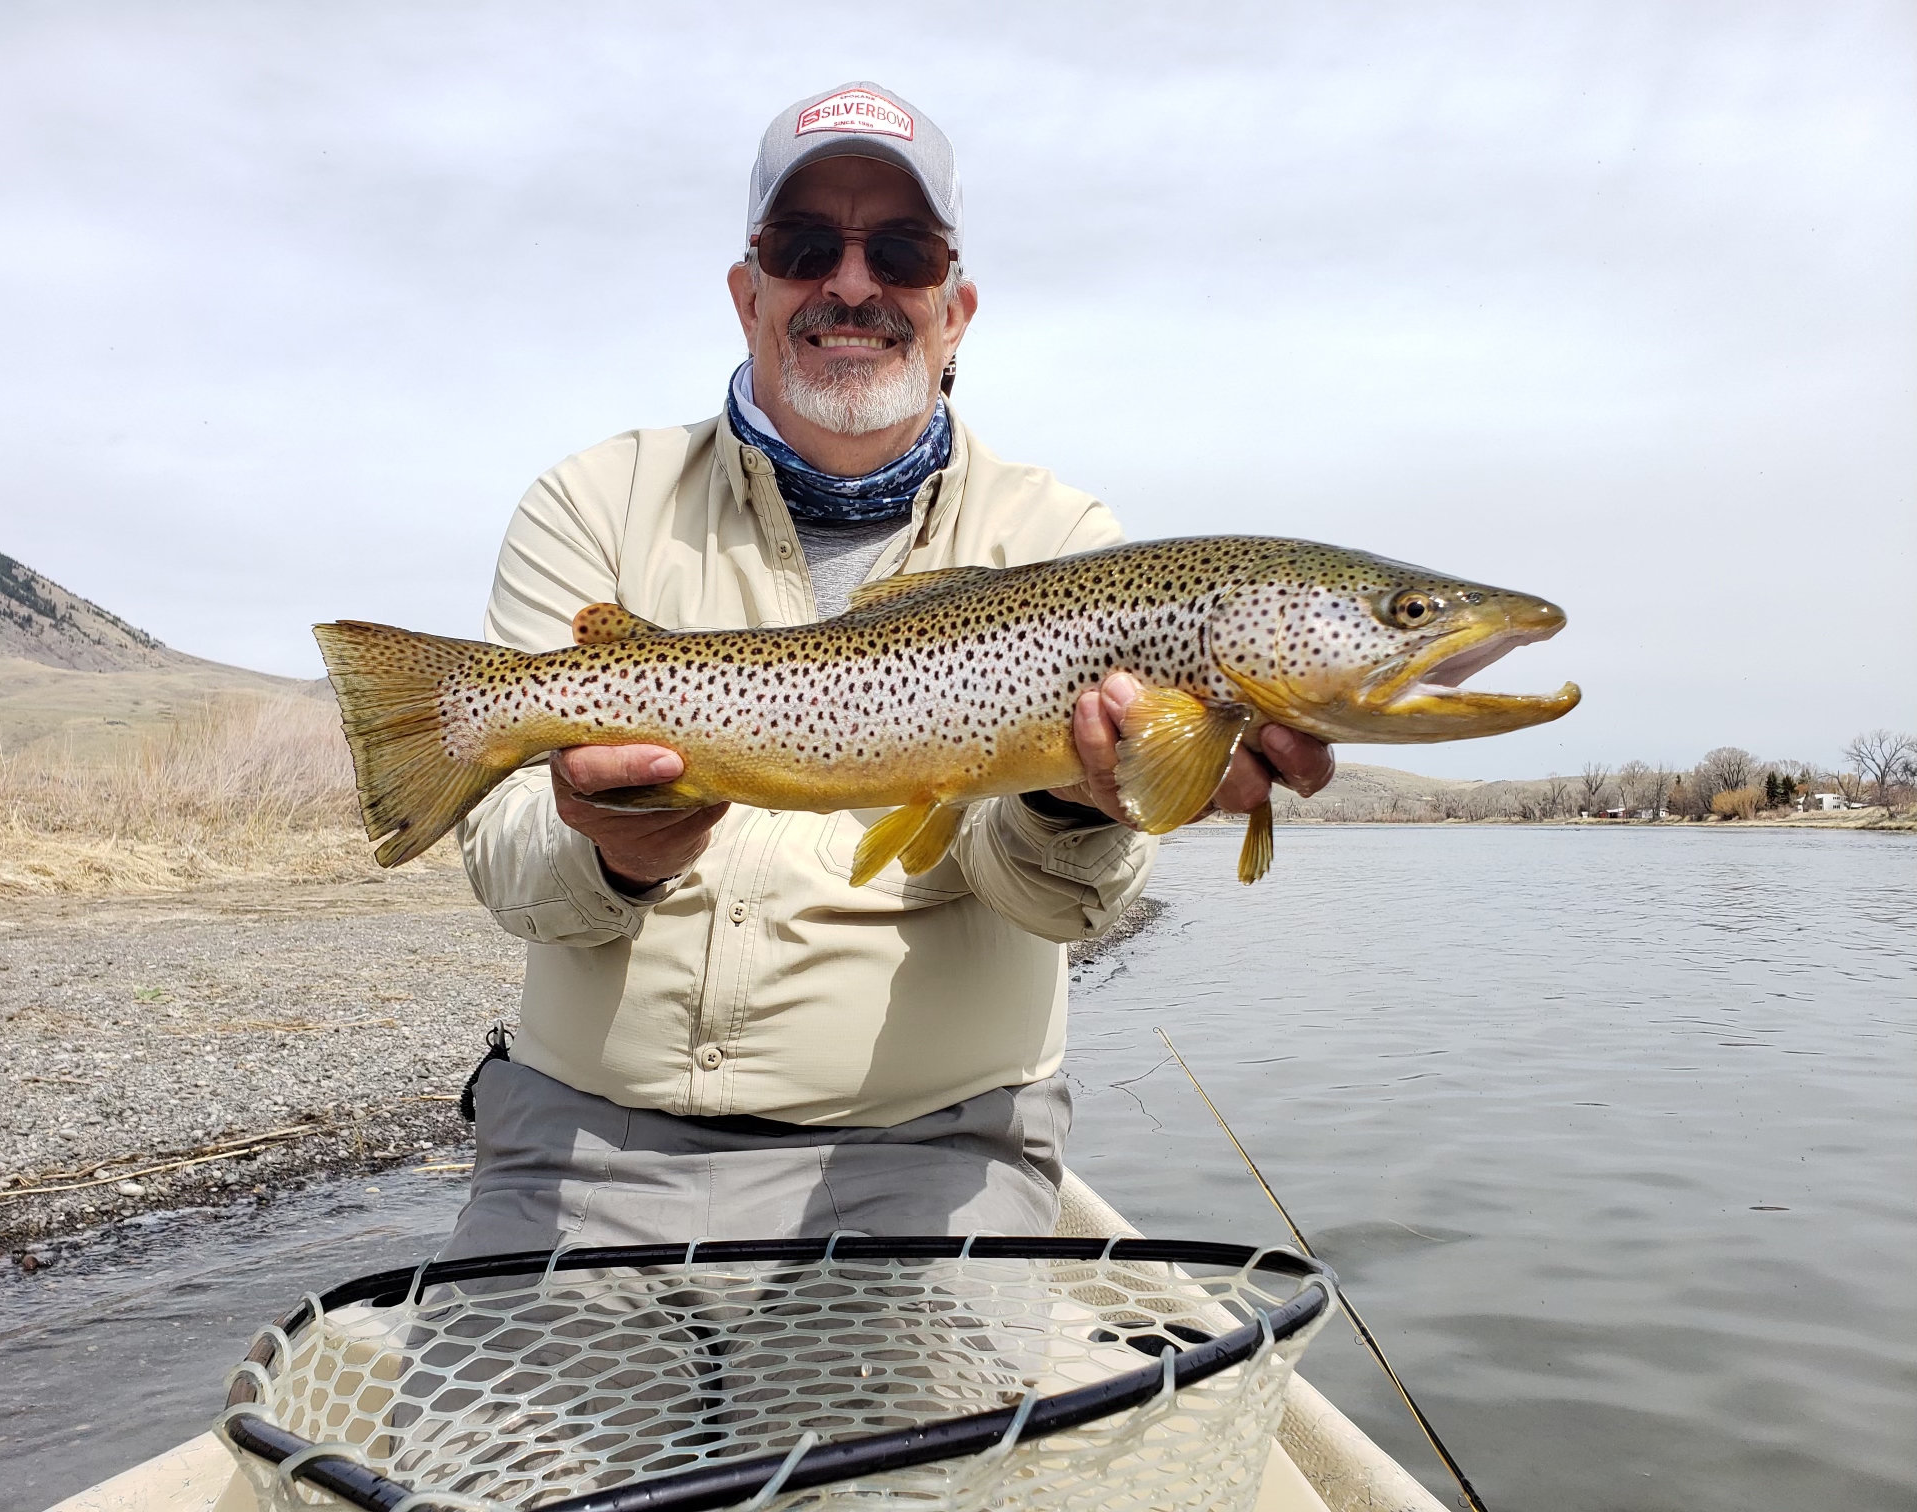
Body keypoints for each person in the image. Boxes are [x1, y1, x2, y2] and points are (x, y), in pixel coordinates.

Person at [443, 82, 1333, 1259]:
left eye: (900, 251)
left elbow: (1058, 906)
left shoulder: (1066, 540)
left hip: (934, 1160)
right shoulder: (592, 503)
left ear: (955, 309)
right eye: (806, 246)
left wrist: (1068, 799)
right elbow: (502, 864)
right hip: (580, 1144)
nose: (852, 285)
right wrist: (605, 849)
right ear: (746, 290)